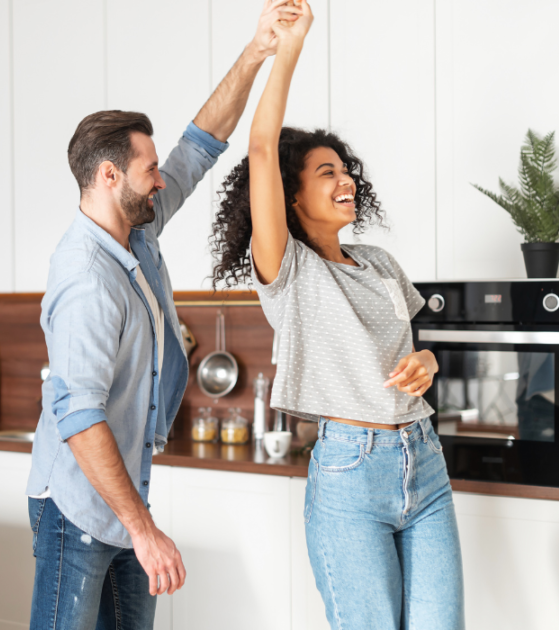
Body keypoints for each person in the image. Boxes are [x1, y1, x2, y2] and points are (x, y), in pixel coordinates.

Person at [24, 2, 306, 628]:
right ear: (107, 176)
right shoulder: (86, 279)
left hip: (125, 500)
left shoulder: (136, 230)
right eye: (148, 171)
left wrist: (259, 49)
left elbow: (201, 144)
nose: (160, 180)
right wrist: (143, 530)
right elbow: (78, 416)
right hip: (79, 507)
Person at [210, 2, 465, 628]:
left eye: (346, 168)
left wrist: (429, 360)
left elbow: (421, 348)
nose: (345, 177)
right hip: (351, 475)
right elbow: (263, 148)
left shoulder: (378, 263)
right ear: (291, 196)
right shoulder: (288, 269)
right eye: (327, 171)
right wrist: (288, 48)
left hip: (424, 461)